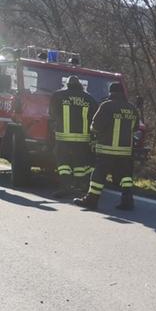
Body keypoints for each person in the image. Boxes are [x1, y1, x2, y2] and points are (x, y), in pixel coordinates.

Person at [74, 83, 138, 211]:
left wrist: (93, 132)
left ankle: (91, 200)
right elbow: (135, 128)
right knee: (125, 177)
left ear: (110, 92)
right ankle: (127, 201)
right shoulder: (132, 108)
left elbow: (96, 126)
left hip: (107, 149)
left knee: (98, 175)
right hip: (125, 151)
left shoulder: (106, 105)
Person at [49, 75, 98, 198]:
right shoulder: (90, 98)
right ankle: (81, 186)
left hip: (63, 137)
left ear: (67, 84)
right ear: (80, 85)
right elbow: (95, 119)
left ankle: (65, 187)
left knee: (63, 163)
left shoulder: (57, 95)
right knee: (80, 163)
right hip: (83, 139)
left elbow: (52, 114)